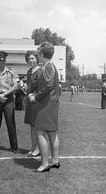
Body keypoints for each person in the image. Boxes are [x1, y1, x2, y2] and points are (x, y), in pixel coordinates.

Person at [28, 42, 60, 172]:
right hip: (50, 103)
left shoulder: (48, 67)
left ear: (41, 54)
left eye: (38, 53)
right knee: (52, 133)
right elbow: (50, 86)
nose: (37, 55)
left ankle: (45, 163)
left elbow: (48, 85)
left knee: (40, 131)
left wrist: (35, 97)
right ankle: (55, 161)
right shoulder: (50, 66)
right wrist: (35, 93)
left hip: (46, 104)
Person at [24, 51, 40, 157]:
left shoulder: (40, 71)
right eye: (29, 59)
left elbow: (41, 87)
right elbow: (29, 85)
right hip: (29, 100)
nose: (31, 60)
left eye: (33, 58)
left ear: (37, 59)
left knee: (37, 126)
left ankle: (38, 149)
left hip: (37, 101)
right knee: (31, 125)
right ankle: (33, 147)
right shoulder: (29, 71)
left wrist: (33, 94)